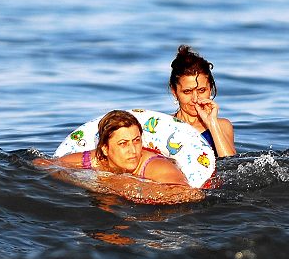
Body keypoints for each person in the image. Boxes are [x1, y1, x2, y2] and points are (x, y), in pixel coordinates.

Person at [34, 110, 203, 204]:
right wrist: (83, 180)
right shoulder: (91, 160)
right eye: (123, 143)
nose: (133, 150)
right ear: (106, 149)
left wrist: (122, 185)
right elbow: (41, 163)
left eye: (136, 141)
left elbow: (189, 194)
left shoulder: (155, 166)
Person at [168, 45, 236, 158]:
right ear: (174, 92)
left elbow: (232, 165)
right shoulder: (164, 125)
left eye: (201, 90)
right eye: (187, 91)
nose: (195, 99)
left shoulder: (222, 126)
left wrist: (212, 124)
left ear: (210, 88)